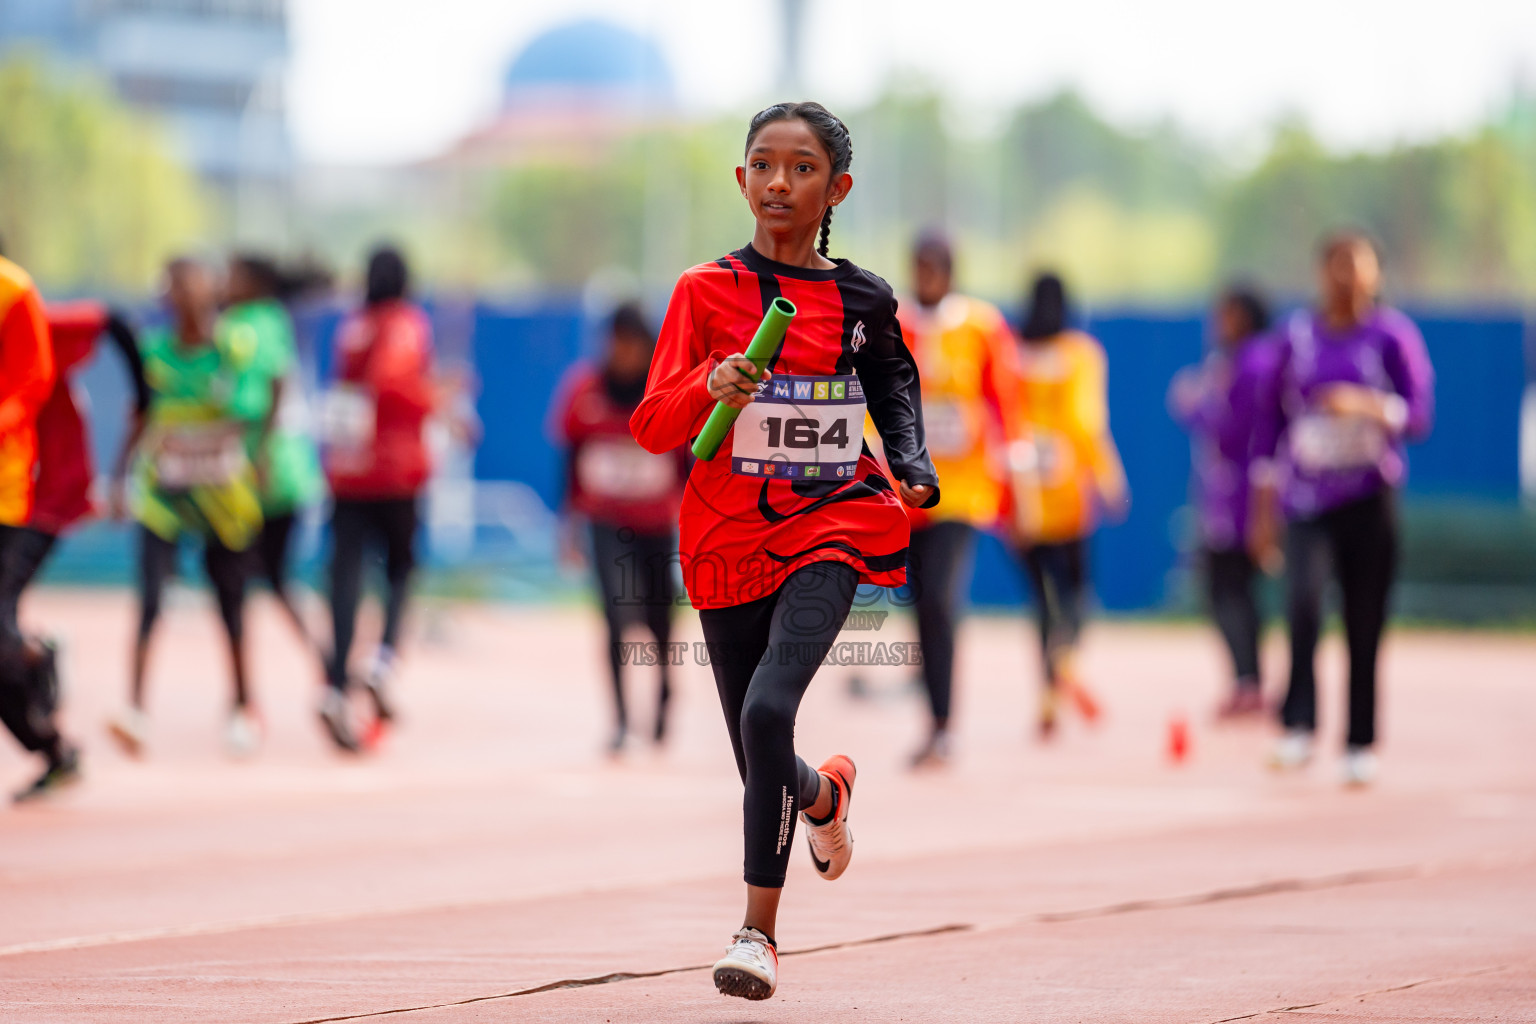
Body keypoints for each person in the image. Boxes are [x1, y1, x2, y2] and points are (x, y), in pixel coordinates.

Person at [631, 101, 938, 1001]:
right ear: (740, 179)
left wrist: (911, 463)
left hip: (836, 523)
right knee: (756, 754)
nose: (778, 182)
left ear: (835, 188)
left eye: (801, 168)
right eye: (762, 164)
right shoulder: (703, 293)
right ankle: (824, 797)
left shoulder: (864, 298)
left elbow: (893, 379)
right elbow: (653, 425)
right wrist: (708, 380)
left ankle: (757, 936)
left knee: (769, 715)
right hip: (726, 539)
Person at [1249, 232, 1434, 786]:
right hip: (1307, 498)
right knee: (1302, 603)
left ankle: (1358, 741)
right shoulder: (1297, 337)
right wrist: (1262, 506)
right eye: (1336, 265)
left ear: (1375, 274)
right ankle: (1297, 724)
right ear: (1320, 272)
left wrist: (1369, 405)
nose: (1347, 277)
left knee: (1364, 619)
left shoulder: (1391, 337)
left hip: (1370, 498)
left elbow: (1420, 415)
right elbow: (1269, 424)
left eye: (1358, 266)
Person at [110, 258, 266, 758]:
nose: (179, 295)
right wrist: (119, 476)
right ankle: (134, 710)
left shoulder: (235, 349)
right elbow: (140, 415)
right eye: (172, 287)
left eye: (189, 284)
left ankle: (242, 707)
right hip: (164, 497)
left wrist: (248, 451)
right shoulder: (154, 352)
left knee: (231, 606)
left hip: (223, 498)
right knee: (150, 599)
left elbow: (257, 405)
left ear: (210, 290)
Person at [897, 232, 1037, 767]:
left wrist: (1017, 491)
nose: (924, 276)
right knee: (920, 607)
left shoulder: (983, 327)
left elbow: (1006, 403)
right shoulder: (894, 324)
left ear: (951, 273)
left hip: (964, 489)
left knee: (940, 598)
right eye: (918, 266)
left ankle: (943, 724)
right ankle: (933, 721)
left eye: (933, 268)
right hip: (905, 491)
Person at [317, 246, 439, 752]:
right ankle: (381, 660)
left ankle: (337, 681)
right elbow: (392, 381)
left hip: (348, 470)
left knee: (344, 575)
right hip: (395, 470)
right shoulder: (406, 324)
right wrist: (437, 396)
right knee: (401, 569)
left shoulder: (352, 326)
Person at [552, 303, 687, 755]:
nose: (623, 352)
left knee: (657, 618)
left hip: (655, 523)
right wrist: (566, 525)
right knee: (612, 614)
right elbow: (569, 461)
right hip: (605, 522)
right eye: (617, 342)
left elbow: (687, 462)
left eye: (632, 343)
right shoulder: (583, 391)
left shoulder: (665, 391)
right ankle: (621, 719)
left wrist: (690, 519)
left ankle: (665, 688)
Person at [1013, 272, 1127, 739]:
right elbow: (1085, 422)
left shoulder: (1011, 353)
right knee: (1077, 592)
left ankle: (1046, 693)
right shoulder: (1080, 354)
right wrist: (1109, 476)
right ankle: (1067, 658)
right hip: (1067, 493)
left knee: (1040, 598)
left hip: (1021, 492)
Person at [1168, 286, 1278, 718]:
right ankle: (1247, 680)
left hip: (1241, 497)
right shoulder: (1235, 362)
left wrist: (1195, 404)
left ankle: (1248, 680)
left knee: (1228, 590)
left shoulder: (1251, 364)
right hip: (1229, 494)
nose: (1218, 324)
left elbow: (1232, 429)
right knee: (1238, 590)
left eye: (1225, 314)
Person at [222, 254, 325, 648]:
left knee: (243, 577)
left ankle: (248, 692)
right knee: (268, 577)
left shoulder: (247, 325)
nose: (224, 283)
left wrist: (259, 452)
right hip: (283, 468)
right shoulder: (272, 319)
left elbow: (265, 390)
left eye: (232, 275)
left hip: (263, 472)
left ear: (255, 283)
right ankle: (327, 665)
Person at [0, 248, 60, 796]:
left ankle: (34, 655)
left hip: (4, 490)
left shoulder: (12, 289)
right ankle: (50, 746)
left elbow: (32, 381)